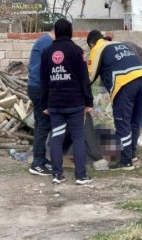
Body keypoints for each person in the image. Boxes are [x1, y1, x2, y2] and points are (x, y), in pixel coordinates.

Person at [87, 30, 142, 170]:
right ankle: (132, 155)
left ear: (91, 44)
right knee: (134, 121)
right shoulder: (117, 44)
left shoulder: (97, 48)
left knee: (122, 122)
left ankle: (126, 161)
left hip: (125, 83)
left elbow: (90, 77)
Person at [40, 19, 94, 185]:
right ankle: (80, 176)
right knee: (78, 137)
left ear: (55, 32)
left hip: (55, 104)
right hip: (75, 103)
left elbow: (43, 81)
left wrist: (44, 104)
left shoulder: (46, 52)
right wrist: (89, 101)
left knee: (56, 138)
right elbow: (84, 78)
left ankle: (57, 175)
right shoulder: (77, 51)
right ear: (70, 32)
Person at [103, 36, 142, 149]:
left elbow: (134, 67)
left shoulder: (125, 47)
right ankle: (132, 134)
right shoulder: (113, 52)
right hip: (137, 73)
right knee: (134, 101)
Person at [27, 29, 55, 176]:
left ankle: (41, 158)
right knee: (43, 125)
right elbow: (49, 69)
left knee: (41, 124)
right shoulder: (48, 43)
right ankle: (37, 161)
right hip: (40, 88)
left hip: (35, 86)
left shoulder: (44, 41)